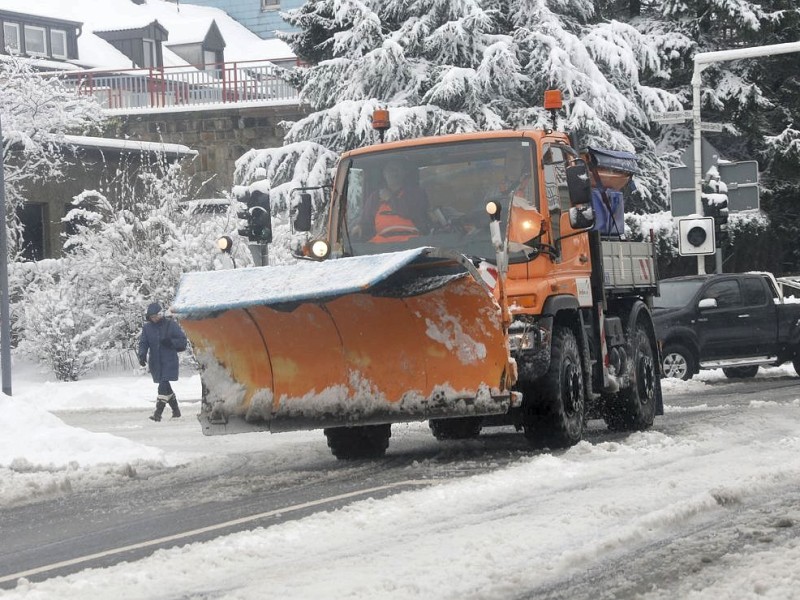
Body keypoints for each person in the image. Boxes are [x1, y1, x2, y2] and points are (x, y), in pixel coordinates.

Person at [354, 161, 430, 243]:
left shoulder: (416, 193)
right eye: (390, 170)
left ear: (404, 173)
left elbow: (413, 213)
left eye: (397, 170)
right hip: (381, 247)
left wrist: (390, 199)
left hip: (412, 245)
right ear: (384, 173)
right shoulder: (375, 197)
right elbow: (366, 221)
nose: (394, 173)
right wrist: (360, 227)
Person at [138, 302, 188, 422]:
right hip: (155, 363)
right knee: (166, 387)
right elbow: (143, 343)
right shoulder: (147, 328)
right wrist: (142, 355)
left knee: (163, 385)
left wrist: (171, 342)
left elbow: (182, 341)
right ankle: (176, 412)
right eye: (152, 317)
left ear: (161, 314)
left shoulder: (171, 325)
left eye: (156, 316)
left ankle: (157, 414)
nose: (154, 319)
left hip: (169, 361)